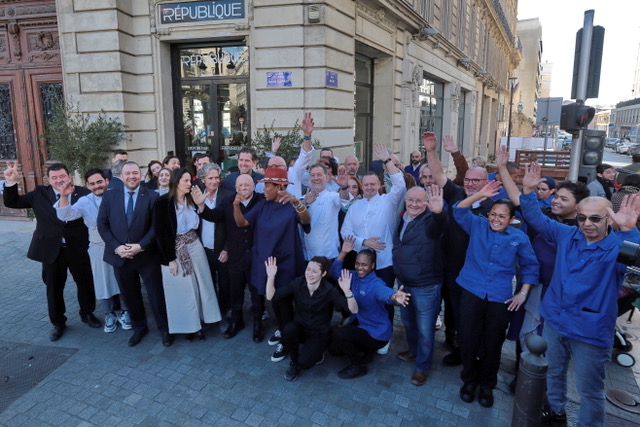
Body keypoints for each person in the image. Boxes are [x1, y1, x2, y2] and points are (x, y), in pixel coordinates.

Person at [519, 162, 640, 426]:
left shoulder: (618, 246)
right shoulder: (567, 234)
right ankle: (556, 410)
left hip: (590, 331)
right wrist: (527, 192)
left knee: (590, 392)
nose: (587, 223)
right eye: (582, 217)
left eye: (595, 218)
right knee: (553, 373)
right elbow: (535, 217)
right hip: (554, 320)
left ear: (608, 219)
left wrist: (630, 229)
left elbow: (638, 258)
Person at [454, 181, 539, 408]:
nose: (496, 219)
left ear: (511, 220)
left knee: (493, 342)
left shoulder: (519, 238)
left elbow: (531, 267)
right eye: (493, 214)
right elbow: (459, 210)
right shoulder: (477, 225)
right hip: (471, 290)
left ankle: (487, 385)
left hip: (499, 297)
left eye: (502, 216)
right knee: (468, 339)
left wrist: (522, 292)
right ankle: (469, 380)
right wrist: (479, 195)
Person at [3, 162, 100, 341]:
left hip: (78, 248)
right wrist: (10, 182)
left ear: (69, 176)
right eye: (54, 178)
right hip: (50, 249)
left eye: (62, 176)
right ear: (49, 180)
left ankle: (87, 313)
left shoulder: (83, 194)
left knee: (85, 282)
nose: (59, 180)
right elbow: (12, 202)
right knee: (54, 287)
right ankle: (58, 322)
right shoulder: (40, 193)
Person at [424, 131, 494, 366]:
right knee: (451, 307)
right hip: (448, 265)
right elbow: (438, 174)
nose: (471, 184)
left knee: (468, 313)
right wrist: (431, 151)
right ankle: (452, 341)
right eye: (469, 180)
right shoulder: (456, 193)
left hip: (474, 271)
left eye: (477, 181)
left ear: (486, 183)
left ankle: (467, 350)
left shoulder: (493, 207)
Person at [232, 167, 311, 362]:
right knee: (274, 301)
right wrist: (236, 205)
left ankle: (287, 338)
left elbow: (306, 221)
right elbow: (242, 223)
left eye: (267, 186)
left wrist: (296, 201)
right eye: (264, 186)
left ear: (279, 187)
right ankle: (283, 329)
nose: (263, 190)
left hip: (286, 263)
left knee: (284, 302)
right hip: (265, 263)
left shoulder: (290, 205)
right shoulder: (262, 205)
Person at [97, 161, 171, 347]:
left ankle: (164, 329)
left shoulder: (153, 196)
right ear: (121, 176)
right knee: (130, 295)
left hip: (147, 255)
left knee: (156, 295)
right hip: (120, 257)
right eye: (128, 173)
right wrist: (117, 247)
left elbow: (157, 226)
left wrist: (141, 245)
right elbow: (103, 225)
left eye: (135, 173)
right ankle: (139, 328)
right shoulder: (109, 196)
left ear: (141, 175)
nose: (132, 176)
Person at [341, 142, 407, 345]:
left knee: (384, 300)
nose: (369, 187)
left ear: (378, 185)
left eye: (372, 184)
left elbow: (400, 184)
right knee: (363, 298)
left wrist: (387, 160)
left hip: (385, 263)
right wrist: (363, 241)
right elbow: (345, 231)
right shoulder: (355, 207)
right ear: (361, 185)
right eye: (366, 184)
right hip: (361, 264)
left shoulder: (389, 201)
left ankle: (384, 337)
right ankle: (362, 327)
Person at [55, 168, 130, 333]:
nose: (97, 186)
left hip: (119, 246)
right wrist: (64, 195)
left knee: (123, 280)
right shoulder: (84, 201)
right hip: (98, 247)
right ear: (88, 186)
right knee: (102, 282)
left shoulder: (119, 196)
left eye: (99, 182)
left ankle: (126, 311)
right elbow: (65, 216)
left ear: (106, 181)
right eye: (92, 184)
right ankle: (108, 314)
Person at [194, 174, 266, 342]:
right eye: (240, 186)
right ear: (235, 188)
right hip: (236, 257)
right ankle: (236, 321)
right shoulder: (228, 202)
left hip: (256, 258)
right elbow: (213, 216)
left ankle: (257, 324)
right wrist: (201, 205)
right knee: (236, 293)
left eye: (247, 185)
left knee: (257, 294)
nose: (243, 188)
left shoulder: (262, 201)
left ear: (254, 186)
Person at [153, 168, 221, 340]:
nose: (189, 184)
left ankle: (205, 320)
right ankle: (190, 327)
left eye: (190, 181)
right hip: (175, 249)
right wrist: (170, 259)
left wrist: (200, 205)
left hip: (195, 245)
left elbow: (205, 219)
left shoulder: (192, 199)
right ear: (176, 182)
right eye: (186, 181)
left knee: (202, 283)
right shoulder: (162, 202)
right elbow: (160, 234)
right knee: (183, 289)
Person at [329, 237, 411, 379]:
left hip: (376, 332)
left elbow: (384, 292)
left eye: (364, 265)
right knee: (334, 349)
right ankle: (366, 351)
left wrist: (395, 296)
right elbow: (335, 273)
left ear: (372, 266)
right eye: (358, 264)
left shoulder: (375, 283)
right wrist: (343, 253)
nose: (360, 268)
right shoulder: (354, 276)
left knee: (340, 334)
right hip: (361, 324)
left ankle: (359, 365)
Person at [265, 256, 356, 382]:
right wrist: (271, 277)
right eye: (308, 269)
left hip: (319, 332)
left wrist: (347, 292)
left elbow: (353, 310)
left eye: (314, 271)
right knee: (288, 329)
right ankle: (294, 362)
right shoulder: (298, 283)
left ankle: (315, 352)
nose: (309, 274)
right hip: (300, 327)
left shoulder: (329, 290)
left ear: (323, 274)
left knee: (305, 363)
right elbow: (272, 297)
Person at [393, 186, 448, 386]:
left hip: (426, 285)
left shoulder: (430, 220)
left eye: (419, 201)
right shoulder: (403, 218)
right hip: (404, 283)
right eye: (411, 200)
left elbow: (440, 225)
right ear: (405, 201)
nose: (414, 204)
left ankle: (422, 367)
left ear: (426, 203)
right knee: (408, 322)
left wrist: (439, 212)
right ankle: (413, 351)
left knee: (425, 329)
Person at [195, 163, 232, 334]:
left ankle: (225, 314)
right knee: (207, 284)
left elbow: (233, 227)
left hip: (222, 251)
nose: (214, 181)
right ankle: (210, 316)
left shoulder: (228, 196)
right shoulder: (194, 197)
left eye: (217, 177)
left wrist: (227, 249)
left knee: (225, 285)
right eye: (210, 178)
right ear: (203, 180)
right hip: (202, 250)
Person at [259, 113, 315, 199]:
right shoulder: (261, 184)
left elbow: (305, 156)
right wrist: (273, 151)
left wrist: (307, 136)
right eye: (270, 167)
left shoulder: (294, 173)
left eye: (276, 166)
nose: (273, 169)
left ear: (285, 168)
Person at [303, 163, 349, 260]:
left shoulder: (332, 196)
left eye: (319, 175)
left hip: (329, 255)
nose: (316, 178)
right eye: (313, 175)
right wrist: (305, 203)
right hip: (308, 256)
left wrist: (344, 187)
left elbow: (343, 199)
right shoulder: (303, 199)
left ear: (327, 177)